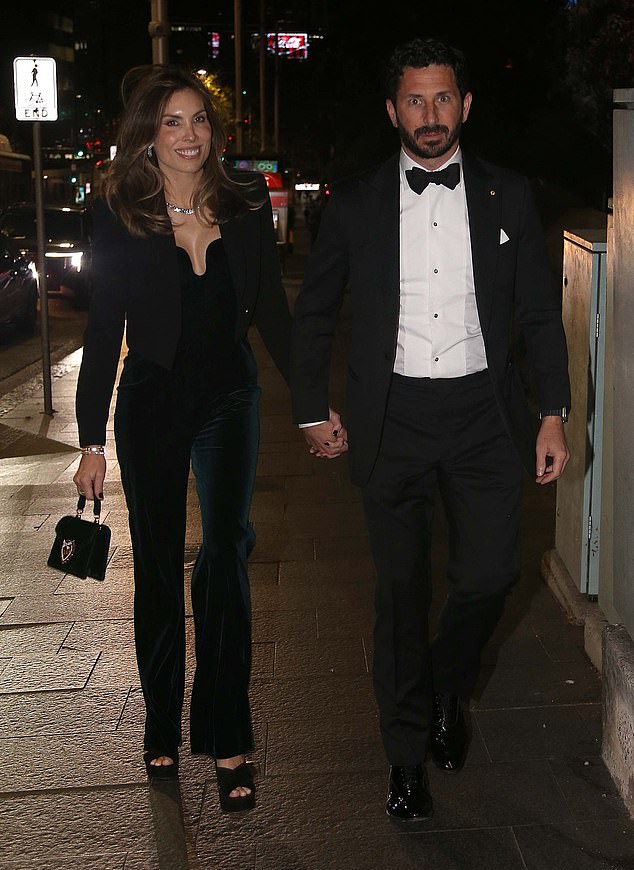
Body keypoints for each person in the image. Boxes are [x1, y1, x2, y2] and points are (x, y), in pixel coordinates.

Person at [290, 37, 570, 821]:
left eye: (443, 98)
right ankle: (405, 755)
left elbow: (542, 315)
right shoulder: (356, 204)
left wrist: (552, 410)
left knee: (489, 577)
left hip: (486, 414)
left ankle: (449, 683)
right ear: (392, 112)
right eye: (415, 100)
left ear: (466, 104)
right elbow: (314, 314)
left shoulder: (509, 195)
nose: (431, 115)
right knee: (401, 595)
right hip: (395, 419)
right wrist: (312, 408)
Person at [73, 64, 297, 811]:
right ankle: (160, 721)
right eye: (173, 121)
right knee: (161, 566)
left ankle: (229, 734)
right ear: (148, 136)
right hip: (151, 401)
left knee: (227, 551)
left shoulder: (243, 203)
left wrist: (315, 404)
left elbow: (272, 315)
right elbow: (104, 331)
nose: (190, 134)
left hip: (230, 394)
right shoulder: (121, 213)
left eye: (199, 119)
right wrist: (90, 441)